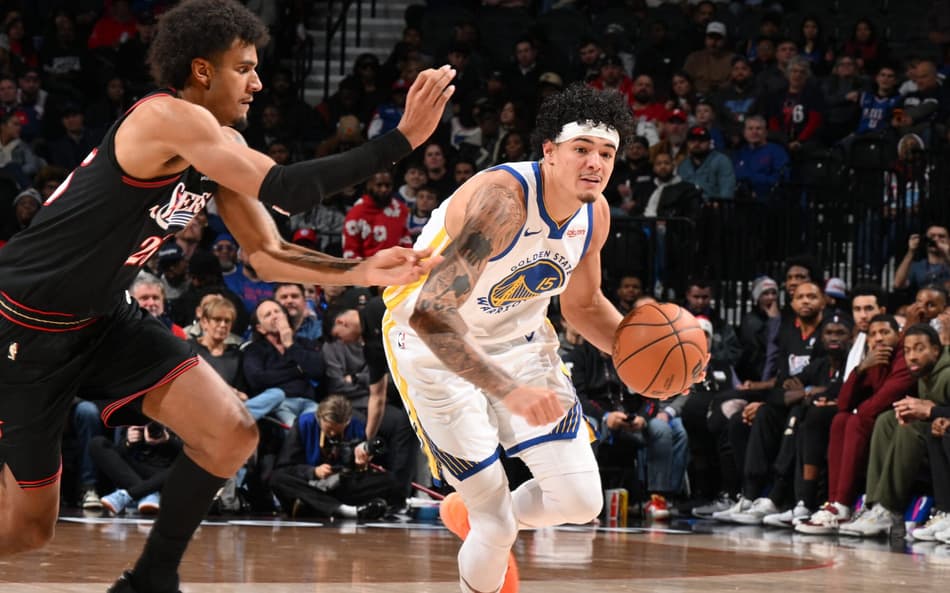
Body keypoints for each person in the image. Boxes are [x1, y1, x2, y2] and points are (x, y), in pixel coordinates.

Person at [0, 6, 453, 593]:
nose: (257, 83)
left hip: (104, 317)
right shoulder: (165, 117)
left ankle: (150, 581)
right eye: (244, 68)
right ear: (201, 71)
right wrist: (402, 139)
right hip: (26, 324)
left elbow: (266, 252)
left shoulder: (219, 146)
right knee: (28, 529)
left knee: (232, 431)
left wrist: (361, 269)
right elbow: (287, 189)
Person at [383, 84, 702, 593]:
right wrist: (507, 390)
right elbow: (431, 315)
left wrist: (655, 363)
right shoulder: (501, 204)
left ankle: (471, 513)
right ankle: (485, 523)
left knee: (580, 501)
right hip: (433, 347)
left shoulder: (593, 213)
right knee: (496, 525)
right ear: (549, 152)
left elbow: (584, 306)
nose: (595, 163)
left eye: (607, 153)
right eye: (582, 149)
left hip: (519, 343)